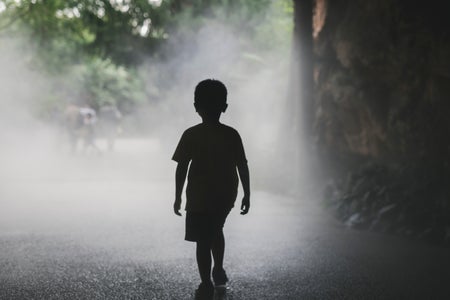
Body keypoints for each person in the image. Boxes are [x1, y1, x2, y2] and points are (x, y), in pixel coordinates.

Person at [172, 79, 250, 300]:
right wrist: (247, 193)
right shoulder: (231, 134)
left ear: (196, 106)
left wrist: (177, 196)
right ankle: (218, 268)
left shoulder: (191, 134)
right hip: (225, 195)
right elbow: (242, 166)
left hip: (197, 195)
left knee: (203, 239)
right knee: (215, 229)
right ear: (224, 107)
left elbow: (181, 168)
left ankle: (206, 282)